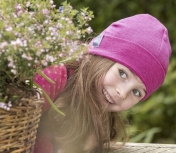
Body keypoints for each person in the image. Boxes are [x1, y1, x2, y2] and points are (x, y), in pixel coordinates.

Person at [34, 14, 172, 153]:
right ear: (103, 58)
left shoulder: (99, 122)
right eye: (122, 73)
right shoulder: (53, 75)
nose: (122, 93)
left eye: (136, 92)